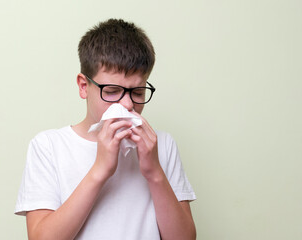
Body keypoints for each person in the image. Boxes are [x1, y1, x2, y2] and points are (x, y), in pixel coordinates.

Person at [15, 18, 196, 240]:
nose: (128, 105)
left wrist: (154, 172)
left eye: (138, 92)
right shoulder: (49, 146)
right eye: (111, 91)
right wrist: (100, 169)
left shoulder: (162, 145)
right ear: (84, 86)